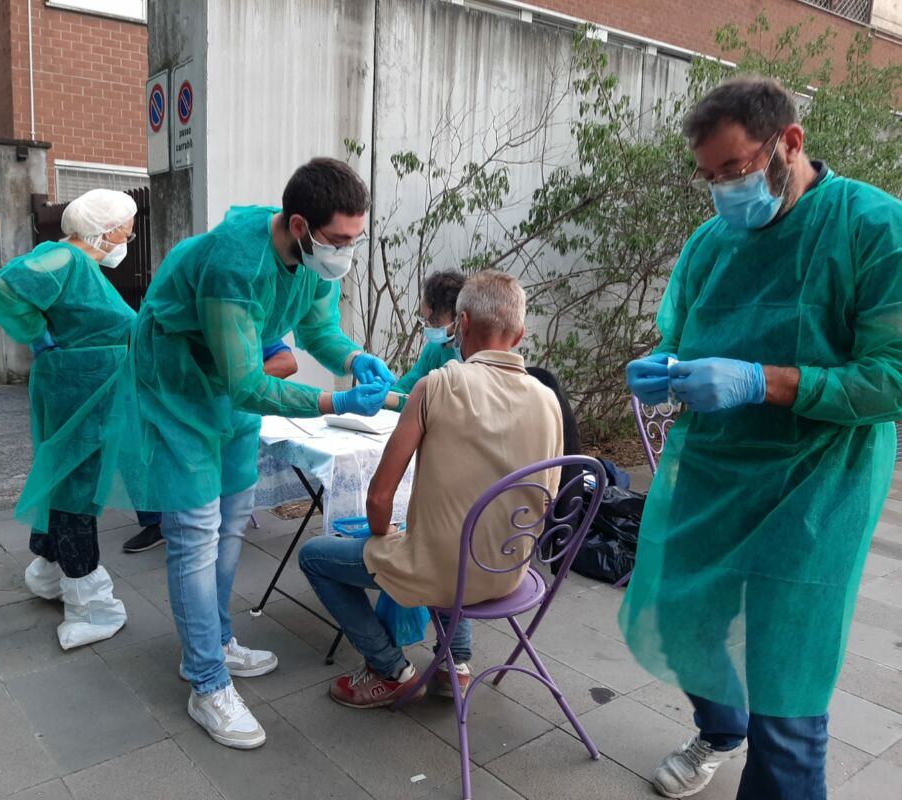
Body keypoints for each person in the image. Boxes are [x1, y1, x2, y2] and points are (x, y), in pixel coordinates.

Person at [621, 77, 902, 800]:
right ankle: (720, 726)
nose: (720, 190)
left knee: (786, 683)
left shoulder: (871, 227)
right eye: (708, 176)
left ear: (789, 143)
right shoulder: (712, 243)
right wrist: (663, 367)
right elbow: (680, 334)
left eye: (735, 170)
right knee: (680, 621)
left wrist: (762, 381)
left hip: (816, 488)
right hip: (713, 471)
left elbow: (891, 377)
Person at [133, 157, 396, 750]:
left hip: (227, 382)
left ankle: (216, 639)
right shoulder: (235, 262)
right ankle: (206, 682)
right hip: (177, 382)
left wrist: (355, 359)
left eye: (356, 239)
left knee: (231, 523)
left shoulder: (311, 262)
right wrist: (336, 397)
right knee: (197, 532)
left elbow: (319, 331)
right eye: (339, 240)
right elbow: (248, 384)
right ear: (300, 226)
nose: (346, 254)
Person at [299, 271, 565, 707]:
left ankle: (390, 668)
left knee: (317, 557)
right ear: (518, 335)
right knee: (462, 534)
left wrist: (385, 539)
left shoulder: (436, 386)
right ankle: (455, 665)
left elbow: (379, 498)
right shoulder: (548, 399)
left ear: (460, 325)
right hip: (510, 568)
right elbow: (547, 494)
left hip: (446, 572)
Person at [0, 188, 139, 650]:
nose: (130, 235)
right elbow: (7, 285)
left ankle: (50, 569)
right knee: (76, 487)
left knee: (64, 479)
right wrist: (39, 335)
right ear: (108, 229)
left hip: (83, 385)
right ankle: (89, 601)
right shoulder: (67, 258)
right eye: (128, 227)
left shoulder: (79, 266)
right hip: (81, 389)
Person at [122, 340, 299, 554]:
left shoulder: (251, 323)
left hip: (231, 415)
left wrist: (234, 384)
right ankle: (157, 521)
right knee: (133, 437)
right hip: (186, 410)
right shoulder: (181, 325)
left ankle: (198, 517)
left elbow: (288, 363)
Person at [392, 269, 464, 397]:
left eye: (435, 321)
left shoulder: (471, 360)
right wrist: (386, 391)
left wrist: (394, 399)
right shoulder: (434, 349)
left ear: (459, 319)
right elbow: (407, 388)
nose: (429, 326)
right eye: (425, 319)